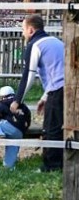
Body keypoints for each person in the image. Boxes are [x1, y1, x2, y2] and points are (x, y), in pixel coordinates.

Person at [11, 14, 64, 172]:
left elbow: (28, 75)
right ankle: (62, 161)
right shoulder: (56, 41)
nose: (22, 33)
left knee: (51, 128)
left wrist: (17, 100)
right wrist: (45, 97)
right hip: (69, 88)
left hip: (58, 89)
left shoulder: (35, 45)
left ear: (31, 30)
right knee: (65, 126)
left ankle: (51, 166)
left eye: (23, 29)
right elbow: (57, 71)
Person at [0, 86, 31, 169]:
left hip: (10, 127)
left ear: (1, 96)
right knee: (13, 147)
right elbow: (28, 117)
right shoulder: (22, 104)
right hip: (20, 132)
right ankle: (8, 167)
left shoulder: (2, 103)